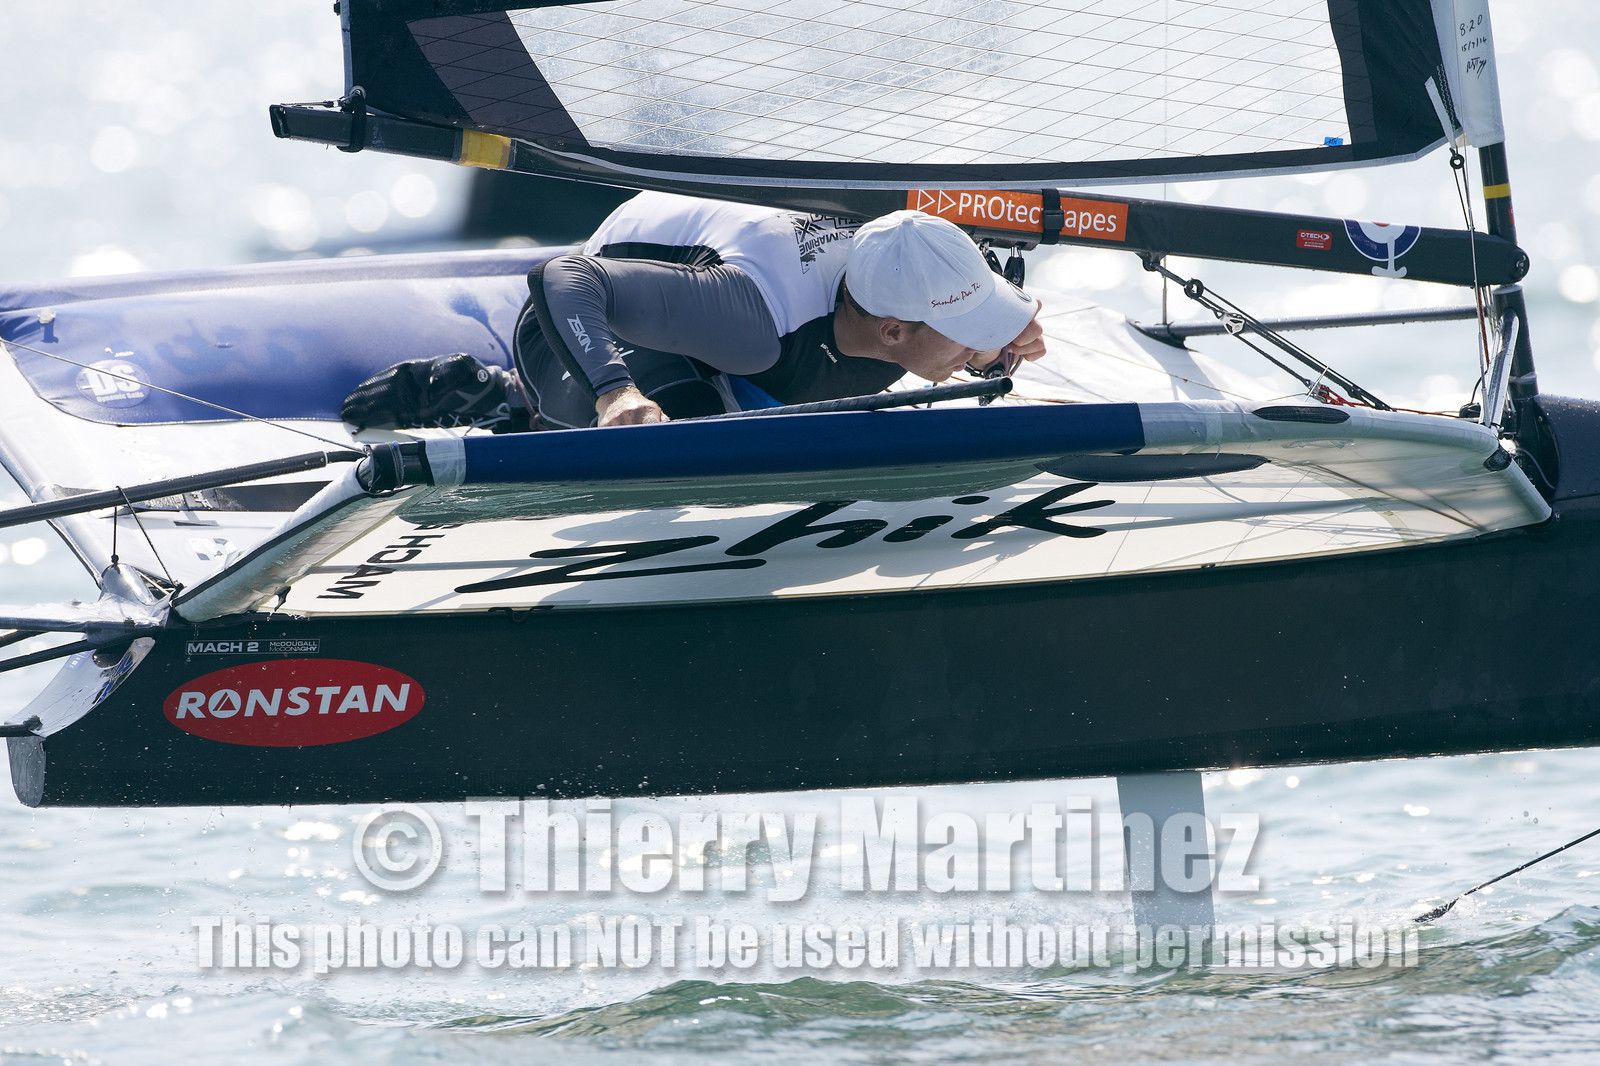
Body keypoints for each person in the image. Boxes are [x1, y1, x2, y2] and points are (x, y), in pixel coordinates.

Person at [341, 192, 1046, 432]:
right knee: (686, 432)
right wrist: (615, 392)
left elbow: (956, 308)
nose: (976, 351)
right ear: (893, 329)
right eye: (967, 338)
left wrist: (1000, 337)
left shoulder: (909, 254)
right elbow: (563, 277)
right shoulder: (750, 315)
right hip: (591, 330)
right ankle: (498, 399)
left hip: (733, 343)